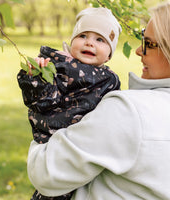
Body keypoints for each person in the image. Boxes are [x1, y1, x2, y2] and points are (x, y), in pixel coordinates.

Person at [26, 1, 170, 200]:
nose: (138, 51)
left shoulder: (128, 111)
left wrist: (42, 136)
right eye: (82, 36)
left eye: (149, 43)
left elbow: (46, 172)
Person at [17, 7, 121, 200]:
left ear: (108, 55)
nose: (89, 42)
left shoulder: (110, 81)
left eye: (100, 39)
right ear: (71, 42)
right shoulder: (56, 67)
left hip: (87, 149)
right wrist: (36, 79)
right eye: (83, 35)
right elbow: (43, 103)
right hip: (55, 144)